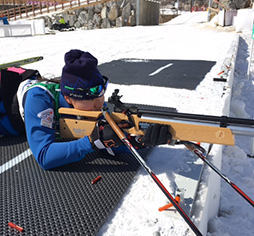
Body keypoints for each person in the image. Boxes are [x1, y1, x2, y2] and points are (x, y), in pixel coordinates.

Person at [17, 49, 171, 170]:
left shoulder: (92, 106)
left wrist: (137, 140)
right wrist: (91, 142)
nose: (99, 104)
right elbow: (44, 157)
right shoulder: (39, 99)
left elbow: (108, 141)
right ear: (69, 98)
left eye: (101, 94)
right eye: (89, 98)